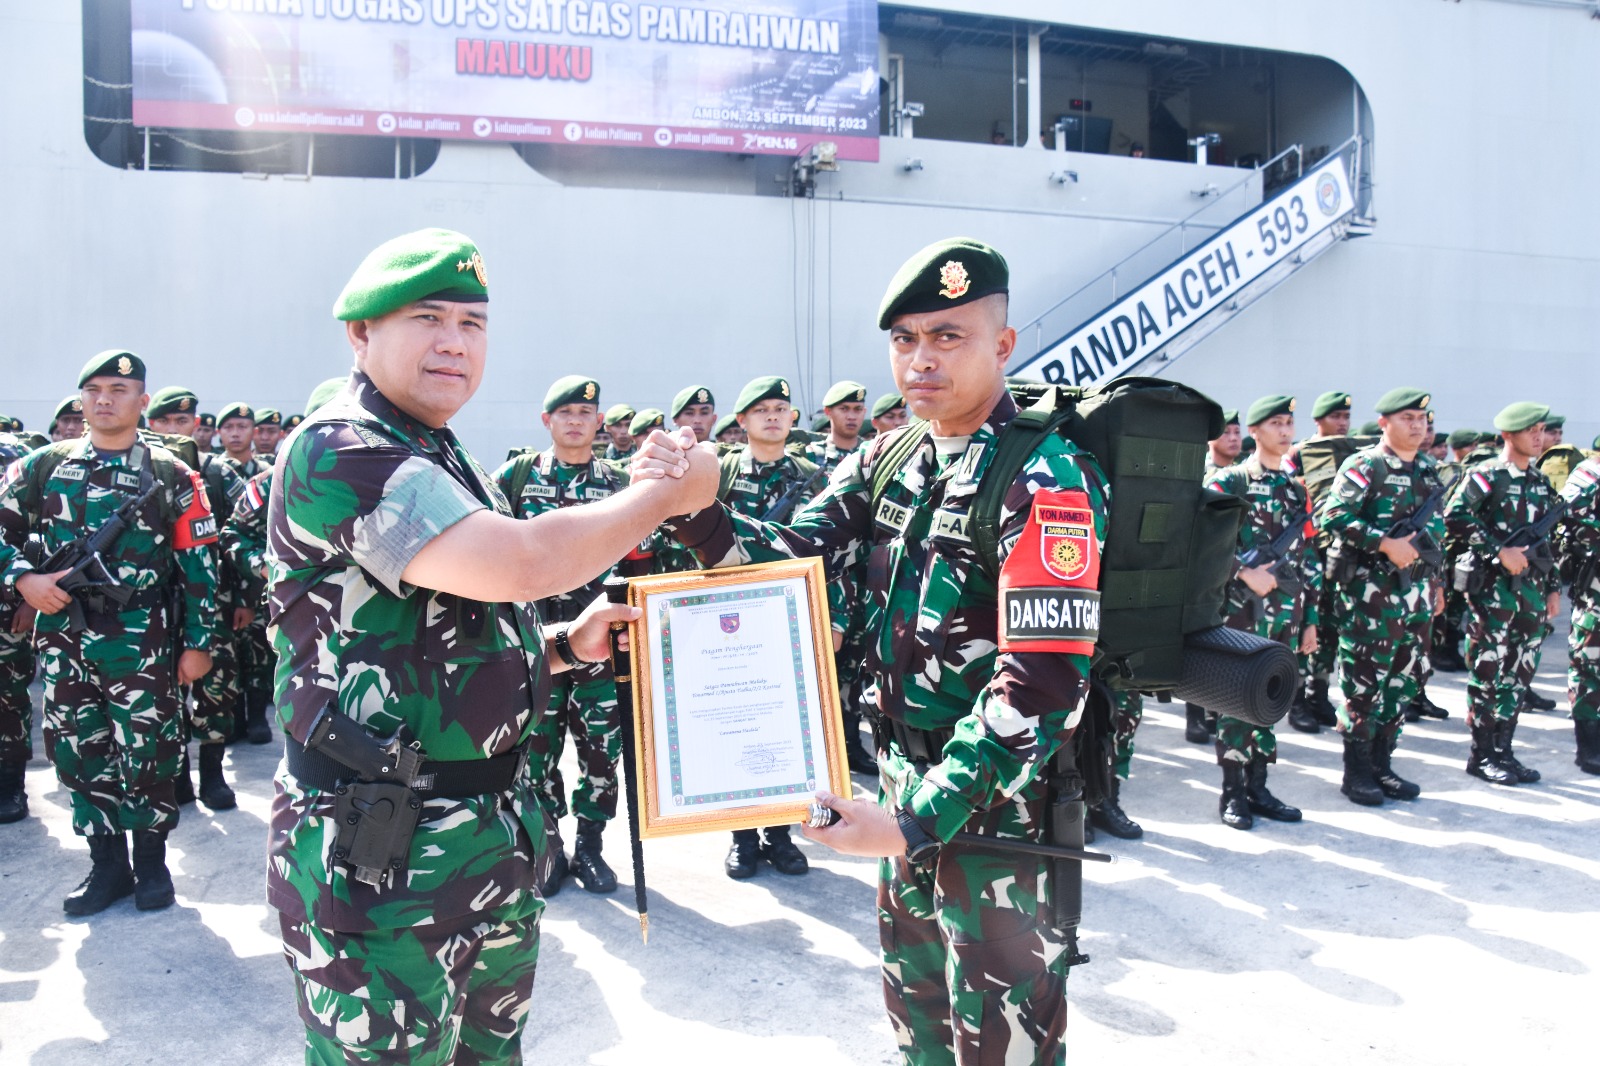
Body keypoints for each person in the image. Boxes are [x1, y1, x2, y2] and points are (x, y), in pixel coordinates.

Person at [265, 229, 716, 1064]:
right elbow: (522, 562)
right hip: (384, 864)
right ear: (361, 335)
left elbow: (448, 638)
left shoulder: (442, 453)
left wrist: (563, 647)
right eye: (428, 317)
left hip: (490, 845)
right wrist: (662, 496)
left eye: (472, 324)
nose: (454, 342)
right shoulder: (343, 448)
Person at [653, 238, 1107, 1064]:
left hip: (992, 812)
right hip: (900, 782)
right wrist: (697, 505)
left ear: (1002, 345)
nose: (921, 361)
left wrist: (913, 821)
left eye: (948, 336)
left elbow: (1042, 682)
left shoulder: (1046, 474)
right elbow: (786, 562)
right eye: (905, 341)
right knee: (920, 1020)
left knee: (1001, 1040)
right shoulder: (895, 455)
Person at [0, 351, 219, 914]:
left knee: (149, 749)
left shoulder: (172, 474)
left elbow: (199, 566)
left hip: (143, 635)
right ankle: (107, 866)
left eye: (119, 389)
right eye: (94, 389)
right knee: (76, 750)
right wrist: (23, 579)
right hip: (63, 633)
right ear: (80, 400)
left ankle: (150, 864)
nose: (104, 399)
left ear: (142, 401)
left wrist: (199, 643)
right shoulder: (42, 467)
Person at [492, 375, 629, 896]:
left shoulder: (619, 484)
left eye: (586, 414)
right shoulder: (516, 476)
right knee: (537, 746)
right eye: (566, 413)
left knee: (601, 748)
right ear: (546, 421)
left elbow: (647, 553)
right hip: (536, 643)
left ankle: (590, 845)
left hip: (600, 646)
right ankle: (547, 843)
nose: (577, 421)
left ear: (600, 423)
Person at [714, 375, 825, 879]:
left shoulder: (813, 474)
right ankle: (741, 838)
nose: (774, 417)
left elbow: (835, 552)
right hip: (726, 618)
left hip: (788, 617)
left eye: (782, 408)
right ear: (742, 421)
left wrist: (835, 619)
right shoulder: (717, 473)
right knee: (737, 727)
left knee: (784, 729)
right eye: (762, 410)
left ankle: (780, 836)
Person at [1317, 387, 1443, 806]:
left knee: (1405, 680)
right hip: (1370, 597)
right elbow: (1333, 515)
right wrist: (1383, 543)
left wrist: (1436, 584)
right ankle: (1356, 774)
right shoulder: (1365, 464)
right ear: (1385, 422)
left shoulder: (1428, 470)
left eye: (1422, 419)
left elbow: (1436, 535)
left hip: (1417, 595)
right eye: (1408, 418)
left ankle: (1382, 765)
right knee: (1364, 685)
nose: (1417, 425)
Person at [1204, 396, 1316, 829]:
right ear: (1255, 431)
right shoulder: (1230, 481)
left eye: (1290, 422)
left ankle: (1259, 785)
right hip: (1239, 613)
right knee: (1237, 700)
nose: (1286, 431)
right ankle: (1232, 791)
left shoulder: (1295, 488)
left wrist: (1308, 619)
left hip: (1284, 613)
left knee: (1271, 699)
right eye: (1276, 423)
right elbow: (1198, 538)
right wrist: (1242, 571)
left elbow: (1307, 559)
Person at [1444, 402, 1562, 786]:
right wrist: (1498, 549)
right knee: (1488, 670)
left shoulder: (1540, 482)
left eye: (1542, 430)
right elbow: (1455, 516)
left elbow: (1546, 543)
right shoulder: (1487, 475)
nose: (1539, 437)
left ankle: (1504, 750)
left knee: (1519, 672)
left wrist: (1553, 588)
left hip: (1531, 593)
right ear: (1510, 434)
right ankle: (1481, 755)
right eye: (1532, 430)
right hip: (1493, 593)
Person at [147, 386, 249, 809]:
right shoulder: (140, 470)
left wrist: (244, 596)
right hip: (154, 603)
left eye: (182, 422)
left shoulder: (218, 473)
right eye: (165, 422)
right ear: (149, 423)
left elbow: (243, 532)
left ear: (196, 425)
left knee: (216, 688)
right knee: (162, 692)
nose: (174, 429)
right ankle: (177, 776)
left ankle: (212, 773)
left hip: (213, 603)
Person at [213, 401, 274, 743]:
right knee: (228, 653)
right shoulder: (211, 472)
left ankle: (256, 716)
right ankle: (233, 716)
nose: (236, 434)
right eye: (229, 427)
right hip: (227, 577)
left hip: (261, 582)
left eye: (242, 427)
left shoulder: (269, 472)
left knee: (260, 648)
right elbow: (227, 534)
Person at [1184, 409, 1242, 743]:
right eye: (1226, 432)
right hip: (1208, 579)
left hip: (1239, 587)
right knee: (1201, 645)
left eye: (1237, 432)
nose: (1233, 438)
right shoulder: (1202, 475)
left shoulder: (1243, 477)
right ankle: (1196, 715)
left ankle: (1219, 711)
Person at [0, 428, 39, 824]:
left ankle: (11, 784)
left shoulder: (14, 455)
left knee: (8, 700)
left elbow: (39, 536)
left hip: (7, 609)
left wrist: (29, 601)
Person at [1556, 452, 1600, 774]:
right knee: (1590, 663)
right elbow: (1561, 518)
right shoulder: (1590, 474)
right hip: (1596, 587)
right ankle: (1590, 748)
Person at [804, 380, 869, 474]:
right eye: (844, 409)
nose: (851, 416)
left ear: (864, 411)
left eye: (858, 409)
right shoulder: (812, 455)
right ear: (828, 411)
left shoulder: (871, 454)